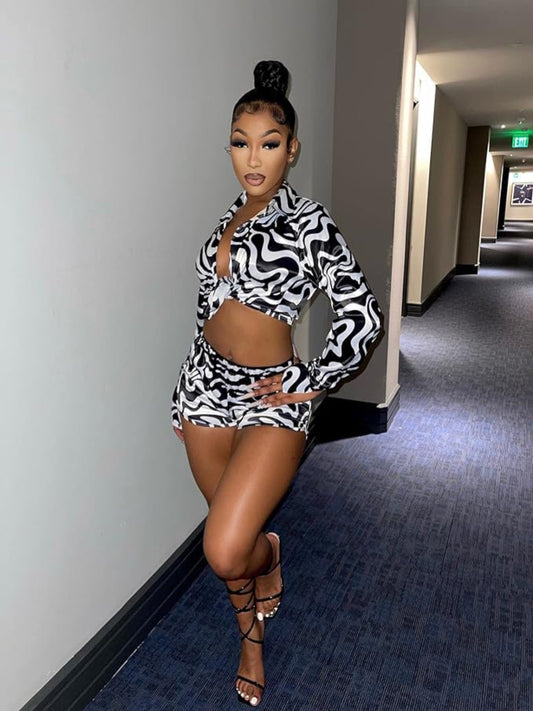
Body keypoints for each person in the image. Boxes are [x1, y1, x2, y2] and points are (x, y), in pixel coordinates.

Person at [171, 60, 384, 707]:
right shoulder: (226, 220)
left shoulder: (309, 222)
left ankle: (265, 568)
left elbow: (362, 314)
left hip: (272, 393)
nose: (252, 157)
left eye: (268, 143)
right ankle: (254, 624)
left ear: (291, 149)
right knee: (233, 543)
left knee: (224, 547)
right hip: (205, 388)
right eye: (240, 142)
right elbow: (210, 311)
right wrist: (187, 394)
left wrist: (314, 379)